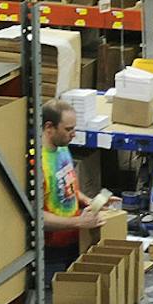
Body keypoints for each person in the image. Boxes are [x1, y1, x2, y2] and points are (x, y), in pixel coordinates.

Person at [43, 98, 118, 271]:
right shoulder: (38, 164)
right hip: (53, 253)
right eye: (68, 129)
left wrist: (90, 202)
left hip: (75, 241)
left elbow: (69, 188)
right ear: (49, 128)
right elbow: (37, 218)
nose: (74, 134)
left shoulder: (61, 148)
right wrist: (78, 222)